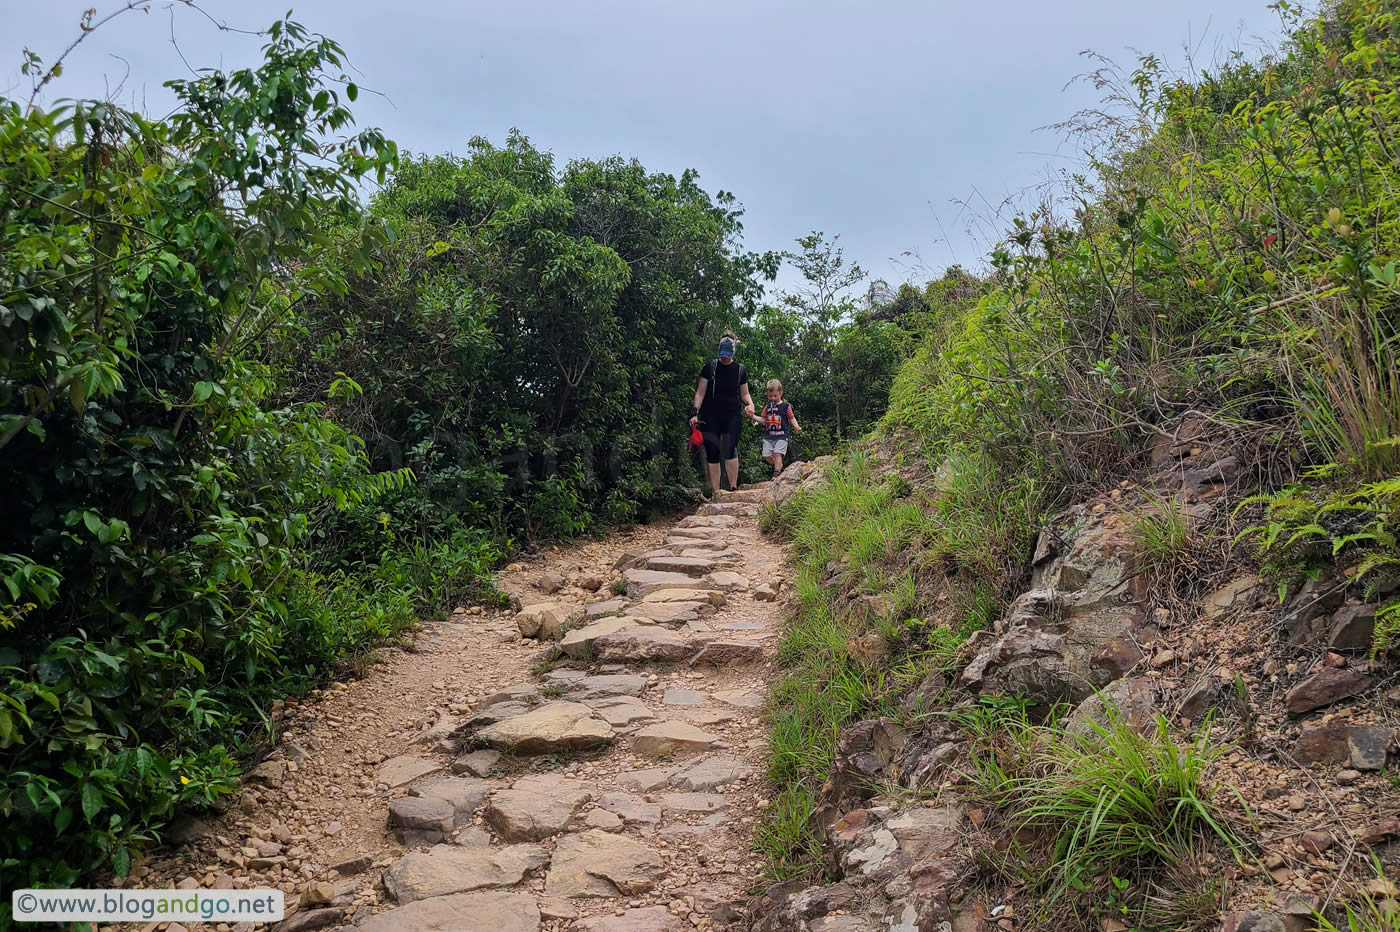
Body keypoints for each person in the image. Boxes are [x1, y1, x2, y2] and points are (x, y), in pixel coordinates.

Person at [688, 332, 755, 493]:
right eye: (722, 355)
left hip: (732, 414)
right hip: (711, 415)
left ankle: (732, 487)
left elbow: (744, 393)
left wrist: (750, 404)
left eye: (727, 355)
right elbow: (700, 392)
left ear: (732, 353)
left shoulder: (740, 370)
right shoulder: (709, 368)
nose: (724, 358)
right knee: (713, 450)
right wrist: (694, 412)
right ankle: (716, 491)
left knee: (730, 447)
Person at [750, 378, 802, 477]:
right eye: (770, 396)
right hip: (769, 436)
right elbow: (763, 420)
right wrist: (753, 416)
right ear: (767, 395)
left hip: (782, 435)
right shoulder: (767, 407)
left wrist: (796, 426)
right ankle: (779, 465)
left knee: (778, 453)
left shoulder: (786, 406)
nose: (773, 398)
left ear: (780, 394)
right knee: (767, 456)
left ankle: (776, 474)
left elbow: (791, 417)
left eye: (775, 396)